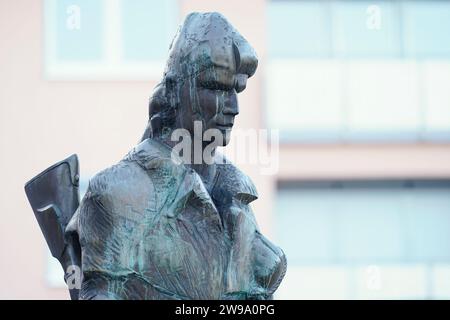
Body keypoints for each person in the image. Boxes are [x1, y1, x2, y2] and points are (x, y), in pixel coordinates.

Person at [68, 12, 286, 300]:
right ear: (174, 90)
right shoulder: (119, 193)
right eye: (217, 87)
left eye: (237, 89)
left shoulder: (237, 195)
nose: (233, 106)